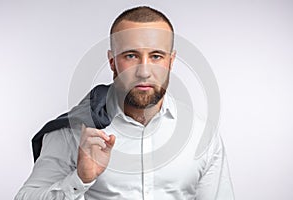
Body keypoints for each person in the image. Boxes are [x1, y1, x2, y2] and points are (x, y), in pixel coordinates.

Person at [15, 6, 234, 200]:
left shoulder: (201, 134)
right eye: (131, 56)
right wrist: (80, 179)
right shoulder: (75, 131)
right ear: (112, 62)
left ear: (171, 61)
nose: (144, 71)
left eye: (156, 56)